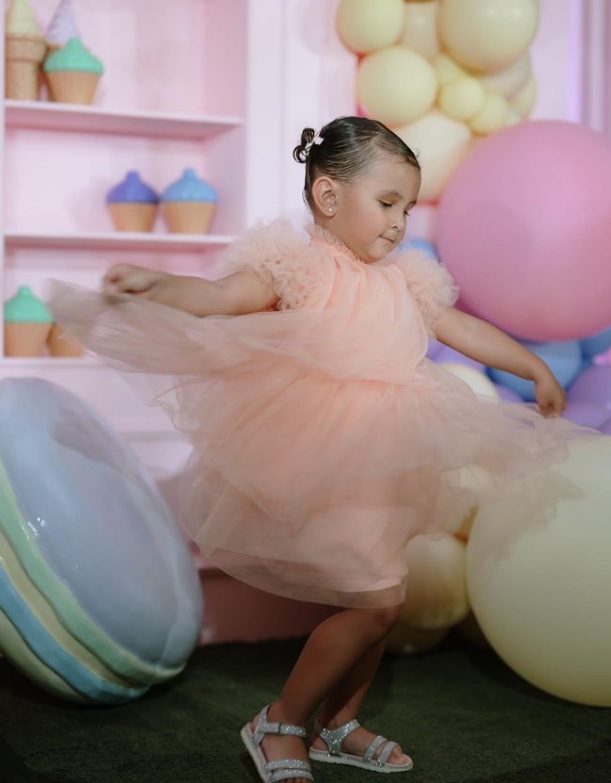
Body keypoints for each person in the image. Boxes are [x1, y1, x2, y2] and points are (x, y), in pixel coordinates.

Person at [51, 116, 590, 783]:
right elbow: (224, 297)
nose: (398, 221)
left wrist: (531, 367)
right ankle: (280, 719)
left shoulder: (405, 281)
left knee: (384, 598)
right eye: (386, 202)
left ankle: (337, 722)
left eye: (407, 206)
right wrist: (162, 286)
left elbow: (462, 326)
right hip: (328, 454)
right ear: (329, 197)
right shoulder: (301, 266)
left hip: (389, 458)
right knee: (374, 605)